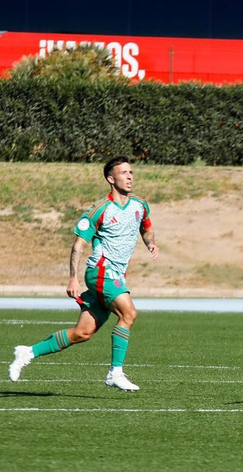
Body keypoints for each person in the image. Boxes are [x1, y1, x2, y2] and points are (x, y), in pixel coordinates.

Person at [8, 156, 159, 392]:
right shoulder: (99, 210)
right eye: (123, 173)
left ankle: (27, 352)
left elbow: (146, 228)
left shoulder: (140, 205)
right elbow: (78, 245)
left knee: (82, 333)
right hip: (100, 270)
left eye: (131, 172)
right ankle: (115, 373)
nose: (130, 176)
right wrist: (73, 278)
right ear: (111, 179)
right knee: (129, 313)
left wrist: (150, 243)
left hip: (117, 274)